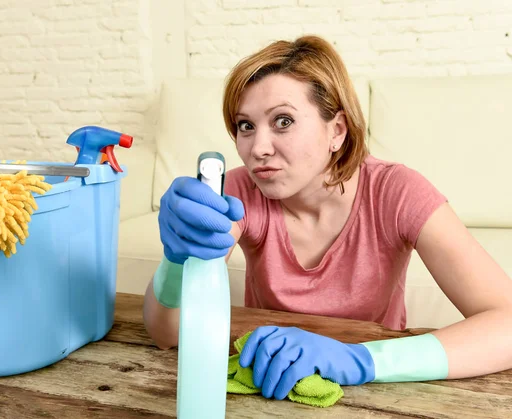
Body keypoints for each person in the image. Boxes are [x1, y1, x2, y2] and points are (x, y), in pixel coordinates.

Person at [142, 35, 512, 400]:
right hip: (269, 382)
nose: (258, 149)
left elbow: (507, 323)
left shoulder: (396, 192)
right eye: (245, 125)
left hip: (380, 393)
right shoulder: (240, 192)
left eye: (283, 121)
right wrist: (176, 262)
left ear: (336, 130)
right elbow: (167, 333)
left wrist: (360, 360)